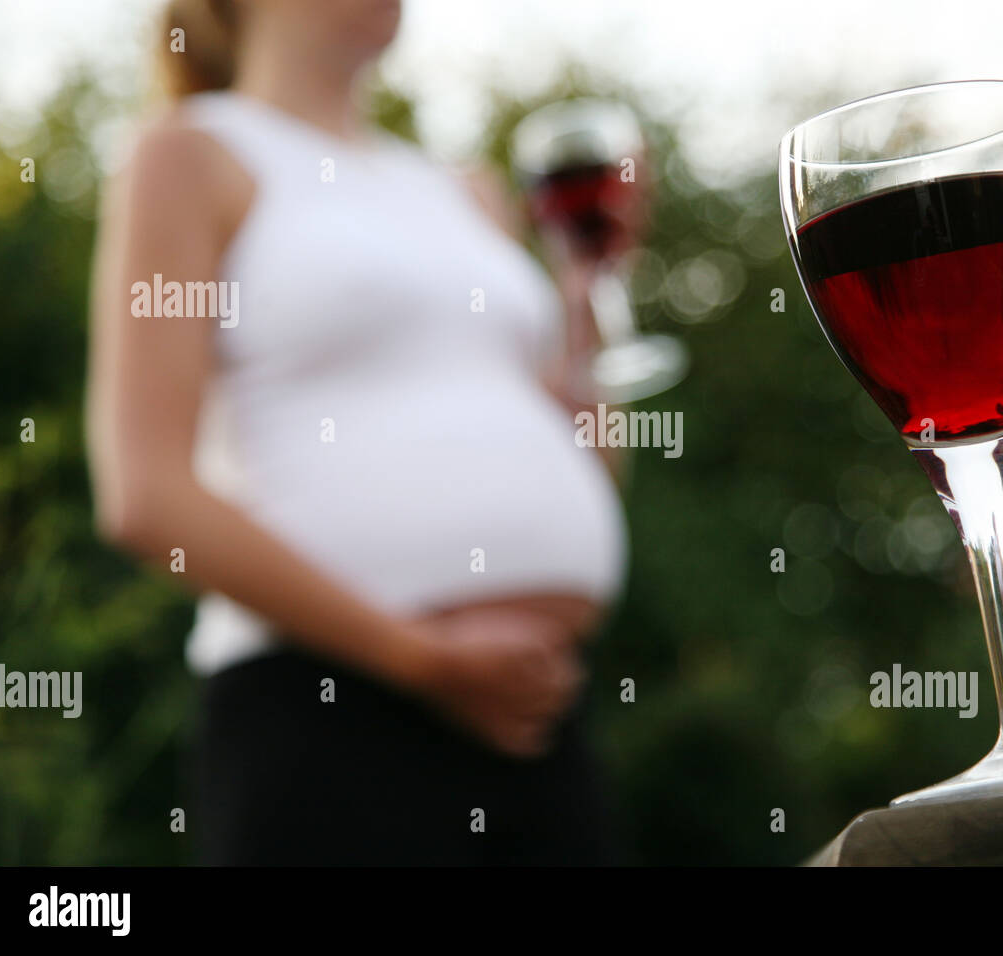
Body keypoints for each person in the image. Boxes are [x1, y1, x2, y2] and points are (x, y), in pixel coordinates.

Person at [85, 0, 627, 865]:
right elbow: (144, 495)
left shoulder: (466, 194)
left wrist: (591, 304)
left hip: (535, 720)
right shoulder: (190, 153)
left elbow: (587, 467)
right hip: (324, 714)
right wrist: (425, 660)